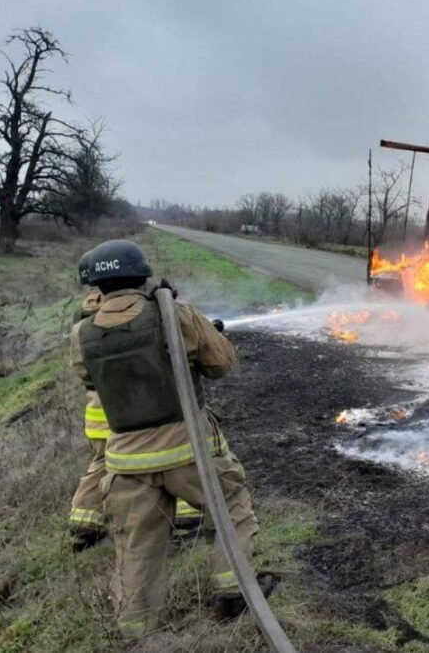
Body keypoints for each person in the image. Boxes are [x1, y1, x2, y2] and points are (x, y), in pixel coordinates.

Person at [70, 239, 274, 639]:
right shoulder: (173, 315)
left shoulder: (82, 333)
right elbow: (220, 365)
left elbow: (91, 380)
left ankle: (137, 631)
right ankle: (235, 593)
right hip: (188, 452)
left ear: (97, 285)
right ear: (141, 276)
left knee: (137, 544)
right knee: (230, 507)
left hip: (126, 463)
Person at [67, 254, 204, 551]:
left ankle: (83, 524)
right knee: (177, 458)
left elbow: (85, 373)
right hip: (131, 415)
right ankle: (186, 518)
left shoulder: (86, 319)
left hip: (101, 416)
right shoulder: (136, 312)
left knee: (100, 465)